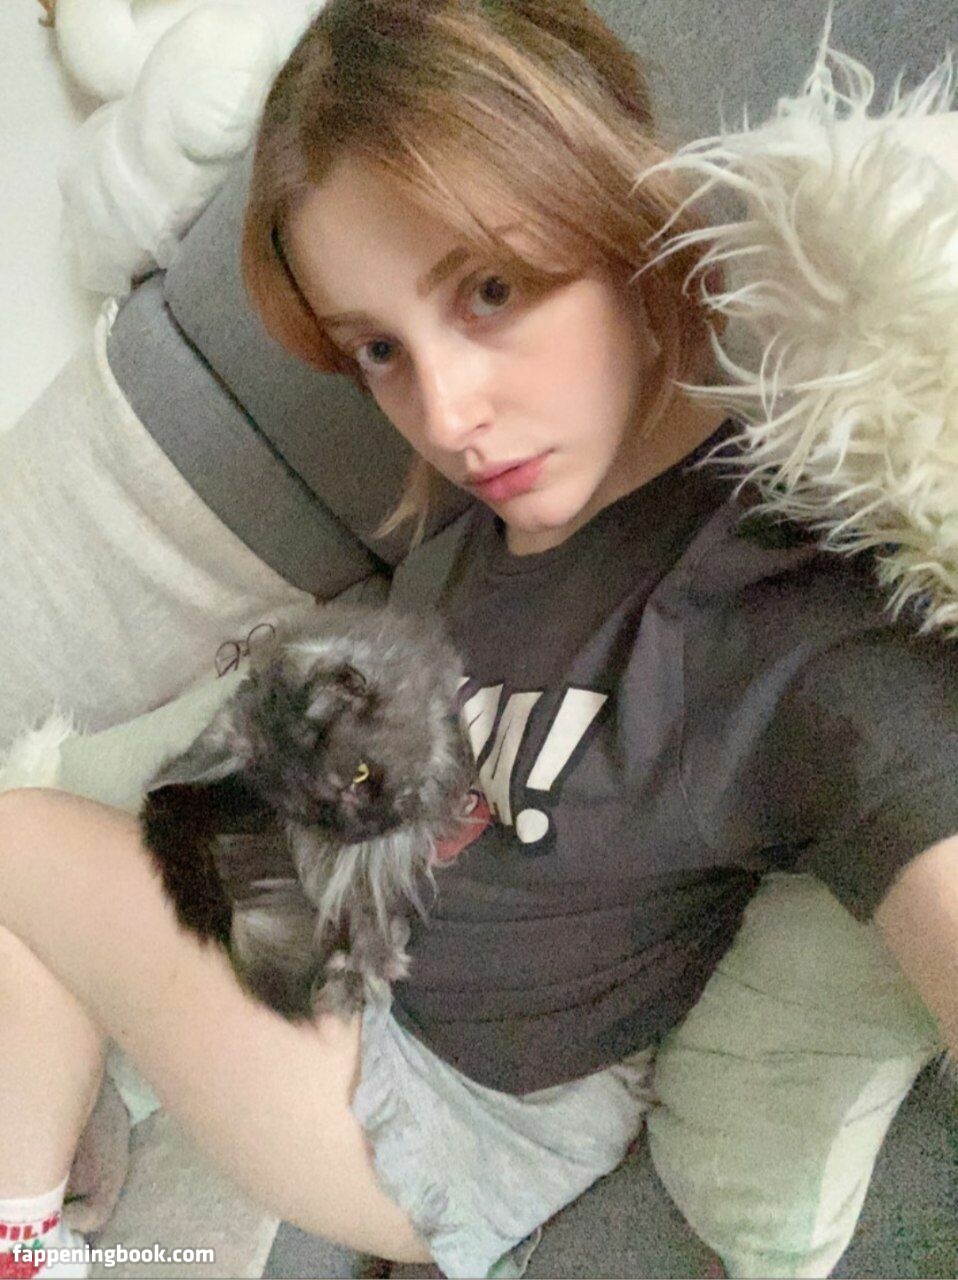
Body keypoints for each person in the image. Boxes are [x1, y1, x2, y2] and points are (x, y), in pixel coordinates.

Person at [0, 2, 955, 1278]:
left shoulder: (793, 614)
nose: (445, 412)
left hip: (445, 1112)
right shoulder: (472, 536)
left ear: (613, 207)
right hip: (333, 973)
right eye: (379, 348)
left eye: (490, 290)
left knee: (15, 835)